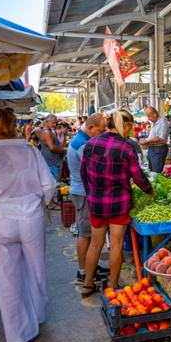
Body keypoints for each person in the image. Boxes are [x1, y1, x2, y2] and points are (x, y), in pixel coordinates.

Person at [0, 108, 57, 342]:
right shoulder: (30, 151)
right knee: (36, 269)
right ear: (13, 125)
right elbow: (48, 186)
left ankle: (18, 335)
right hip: (31, 218)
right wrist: (34, 200)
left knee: (6, 278)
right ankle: (38, 317)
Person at [80, 110, 154, 296]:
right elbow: (138, 177)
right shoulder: (127, 147)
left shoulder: (90, 144)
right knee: (116, 246)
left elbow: (83, 174)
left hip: (97, 203)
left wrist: (91, 194)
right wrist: (149, 190)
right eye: (131, 127)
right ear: (126, 125)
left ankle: (88, 284)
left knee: (95, 245)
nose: (131, 131)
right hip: (119, 204)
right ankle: (113, 286)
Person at [66, 113, 110, 286]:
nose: (102, 134)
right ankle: (83, 272)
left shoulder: (81, 140)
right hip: (83, 193)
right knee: (85, 233)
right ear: (90, 128)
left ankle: (91, 266)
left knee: (90, 234)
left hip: (82, 191)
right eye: (100, 130)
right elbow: (95, 170)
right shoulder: (83, 145)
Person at [40, 114, 67, 209]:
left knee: (52, 182)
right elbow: (52, 147)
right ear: (47, 121)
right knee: (51, 183)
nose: (55, 124)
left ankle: (51, 202)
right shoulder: (47, 132)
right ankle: (50, 203)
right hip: (51, 161)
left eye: (56, 122)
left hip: (52, 161)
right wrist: (64, 150)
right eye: (53, 122)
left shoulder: (49, 132)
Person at [140, 106, 170, 173]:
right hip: (152, 149)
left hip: (158, 149)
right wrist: (146, 139)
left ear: (155, 114)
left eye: (149, 116)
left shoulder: (162, 123)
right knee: (151, 171)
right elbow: (153, 137)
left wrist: (147, 141)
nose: (148, 118)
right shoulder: (153, 123)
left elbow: (161, 138)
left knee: (156, 172)